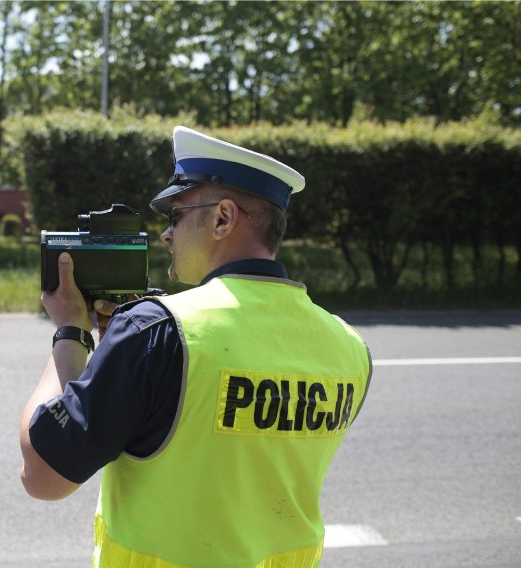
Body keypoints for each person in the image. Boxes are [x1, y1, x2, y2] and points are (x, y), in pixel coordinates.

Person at [19, 126, 372, 567]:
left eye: (176, 215)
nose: (166, 235)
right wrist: (122, 354)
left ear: (223, 218)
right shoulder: (348, 345)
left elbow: (44, 476)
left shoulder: (159, 332)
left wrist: (71, 331)